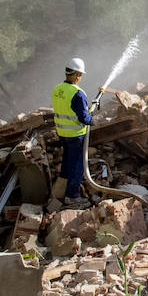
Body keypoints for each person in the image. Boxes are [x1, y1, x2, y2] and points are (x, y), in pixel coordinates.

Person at [51, 57, 93, 208]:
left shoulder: (57, 89)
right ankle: (72, 196)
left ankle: (60, 190)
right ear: (77, 75)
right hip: (76, 135)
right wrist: (92, 118)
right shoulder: (78, 93)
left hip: (62, 133)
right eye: (80, 75)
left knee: (67, 162)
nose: (80, 78)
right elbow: (83, 118)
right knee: (77, 166)